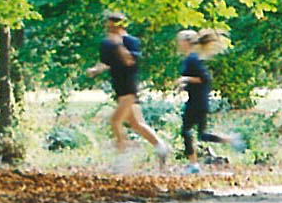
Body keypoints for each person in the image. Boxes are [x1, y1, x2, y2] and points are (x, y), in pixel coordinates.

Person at [85, 11, 169, 169]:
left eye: (113, 27)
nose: (110, 30)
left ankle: (123, 158)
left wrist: (118, 45)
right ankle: (161, 147)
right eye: (108, 27)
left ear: (121, 26)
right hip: (119, 87)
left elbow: (129, 61)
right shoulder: (106, 43)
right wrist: (95, 70)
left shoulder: (131, 41)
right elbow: (105, 62)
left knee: (115, 121)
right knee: (137, 124)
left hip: (129, 87)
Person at [175, 29, 243, 172]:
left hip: (197, 103)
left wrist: (185, 79)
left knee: (186, 131)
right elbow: (198, 81)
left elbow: (204, 79)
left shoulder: (192, 59)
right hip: (199, 101)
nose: (178, 44)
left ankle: (194, 165)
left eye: (180, 41)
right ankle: (229, 140)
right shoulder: (192, 59)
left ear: (186, 42)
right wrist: (185, 85)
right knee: (201, 135)